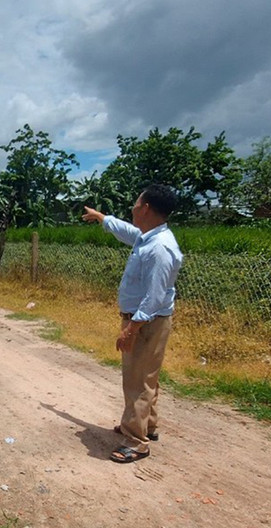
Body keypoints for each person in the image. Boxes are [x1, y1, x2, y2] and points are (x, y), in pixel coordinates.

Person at [82, 184, 183, 463]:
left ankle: (136, 441)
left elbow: (154, 296)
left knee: (136, 381)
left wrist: (131, 329)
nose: (133, 208)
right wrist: (102, 218)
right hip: (150, 321)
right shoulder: (148, 237)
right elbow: (126, 231)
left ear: (146, 208)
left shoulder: (160, 248)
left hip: (147, 322)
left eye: (136, 203)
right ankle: (147, 426)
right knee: (147, 376)